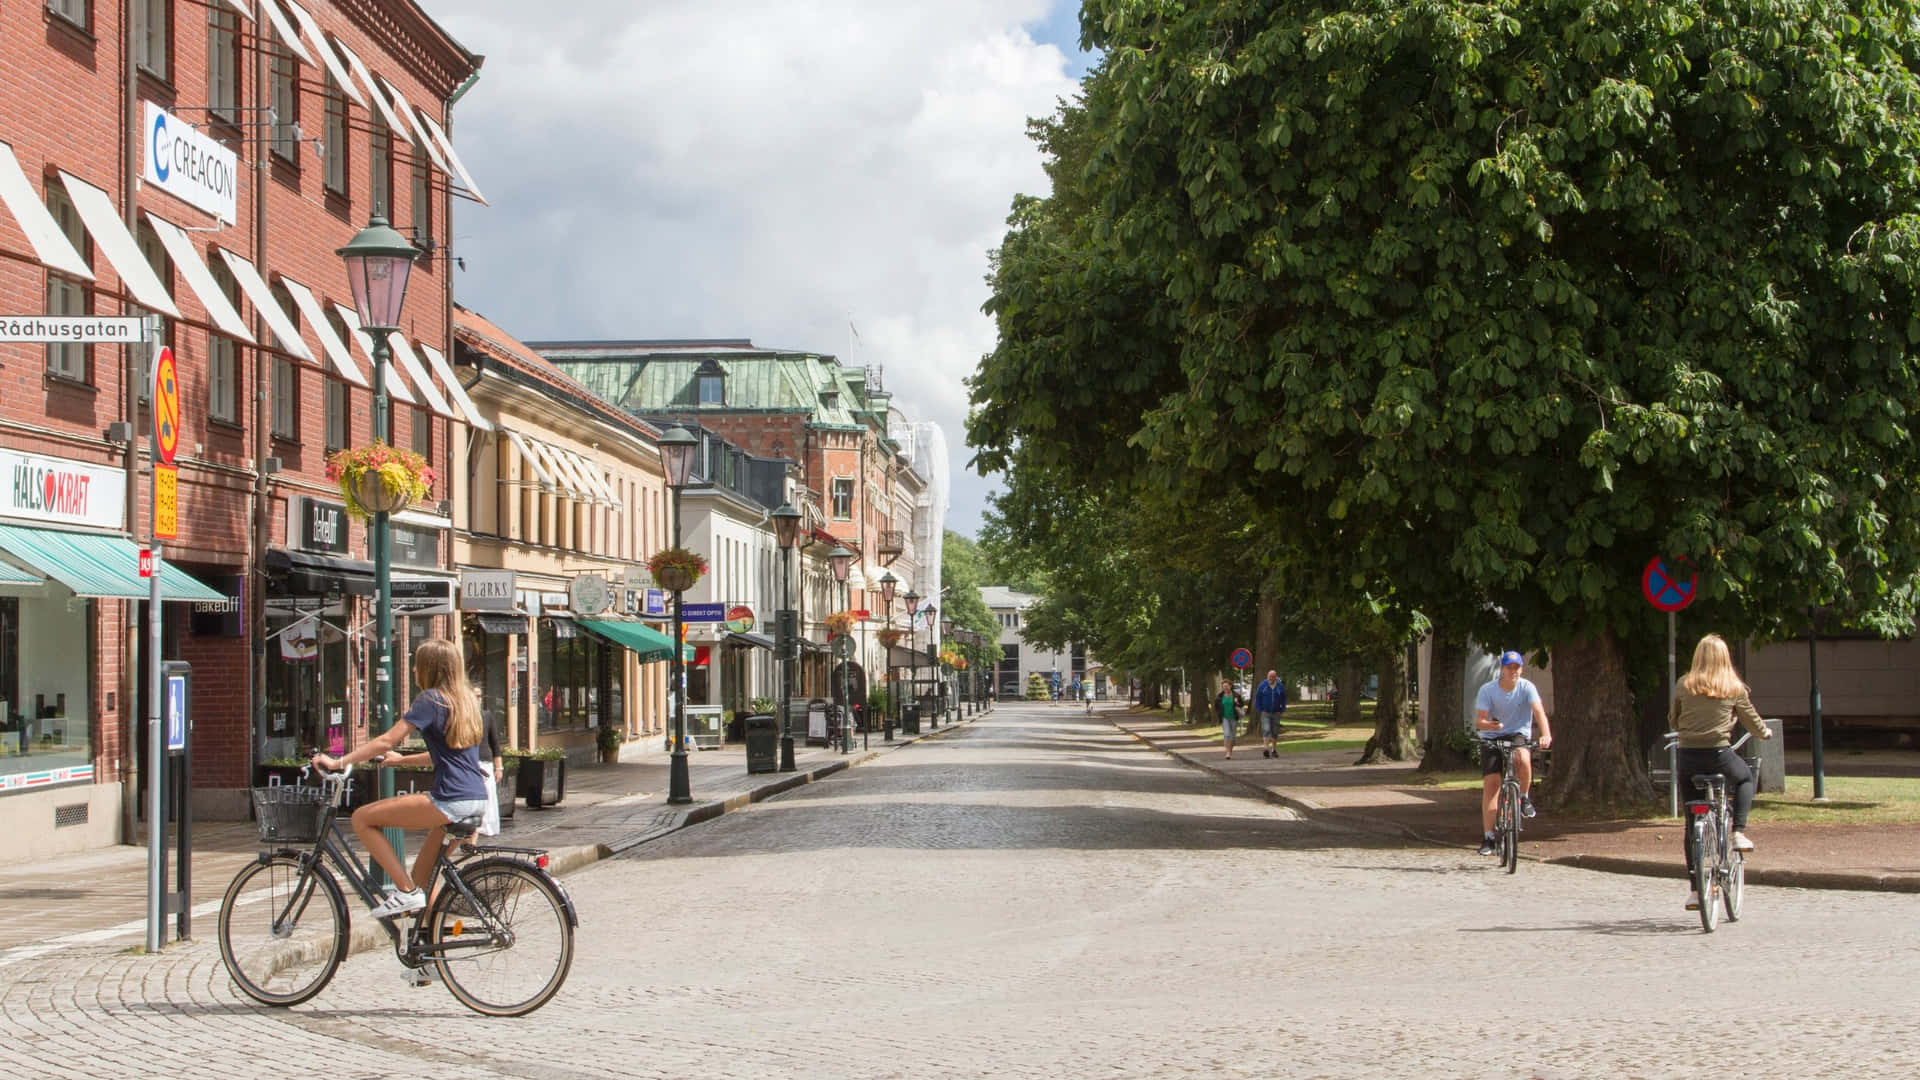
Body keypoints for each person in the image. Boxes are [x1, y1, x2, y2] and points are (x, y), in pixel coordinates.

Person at [311, 638, 490, 920]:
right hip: (477, 800)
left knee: (361, 819)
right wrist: (401, 761)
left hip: (450, 799)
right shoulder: (465, 701)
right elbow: (445, 756)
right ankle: (432, 950)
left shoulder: (430, 699)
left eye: (416, 665)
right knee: (423, 876)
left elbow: (386, 740)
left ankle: (405, 893)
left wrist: (339, 761)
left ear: (429, 668)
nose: (414, 671)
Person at [1670, 633, 1772, 911]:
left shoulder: (1684, 684)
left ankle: (1695, 891)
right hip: (1719, 756)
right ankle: (1738, 830)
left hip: (1688, 757)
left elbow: (1673, 719)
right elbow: (1752, 721)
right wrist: (1764, 733)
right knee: (1745, 778)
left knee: (1692, 826)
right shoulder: (1733, 687)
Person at [1473, 650, 1553, 856]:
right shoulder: (1488, 690)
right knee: (1492, 784)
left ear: (1521, 669)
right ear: (1502, 669)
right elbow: (1479, 721)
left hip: (1517, 734)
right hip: (1492, 736)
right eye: (1509, 667)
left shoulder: (1527, 688)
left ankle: (1524, 797)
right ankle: (1489, 837)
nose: (1513, 671)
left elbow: (1539, 713)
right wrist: (1490, 725)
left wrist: (1545, 735)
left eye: (1516, 667)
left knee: (1523, 757)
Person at [1254, 670, 1288, 757]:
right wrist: (1260, 708)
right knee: (1266, 729)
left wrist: (1282, 709)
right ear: (1267, 677)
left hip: (1276, 712)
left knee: (1275, 731)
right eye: (1270, 677)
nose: (1271, 678)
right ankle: (1266, 749)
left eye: (1273, 677)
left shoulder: (1280, 686)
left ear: (1276, 677)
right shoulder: (1262, 686)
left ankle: (1274, 749)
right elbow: (1257, 698)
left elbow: (1283, 698)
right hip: (1265, 712)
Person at [1216, 683, 1239, 759]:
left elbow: (1241, 704)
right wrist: (1219, 714)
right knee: (1227, 734)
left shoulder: (1236, 695)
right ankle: (1228, 752)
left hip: (1233, 717)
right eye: (1223, 687)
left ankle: (1230, 751)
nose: (1225, 688)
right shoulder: (1219, 697)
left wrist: (1237, 702)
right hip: (1224, 718)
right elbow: (1216, 707)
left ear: (1230, 686)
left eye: (1227, 686)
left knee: (1233, 737)